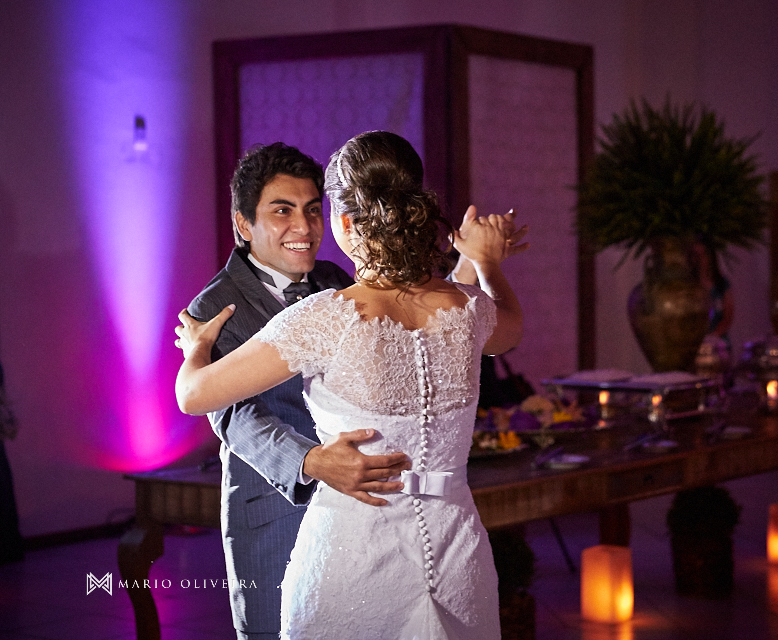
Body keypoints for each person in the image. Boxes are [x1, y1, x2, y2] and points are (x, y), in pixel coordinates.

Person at [176, 131, 521, 639]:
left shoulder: (332, 295)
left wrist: (193, 353)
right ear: (242, 223)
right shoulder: (216, 304)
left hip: (359, 535)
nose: (303, 227)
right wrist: (310, 461)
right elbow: (232, 415)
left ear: (340, 219)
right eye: (282, 211)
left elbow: (192, 393)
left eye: (313, 209)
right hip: (281, 504)